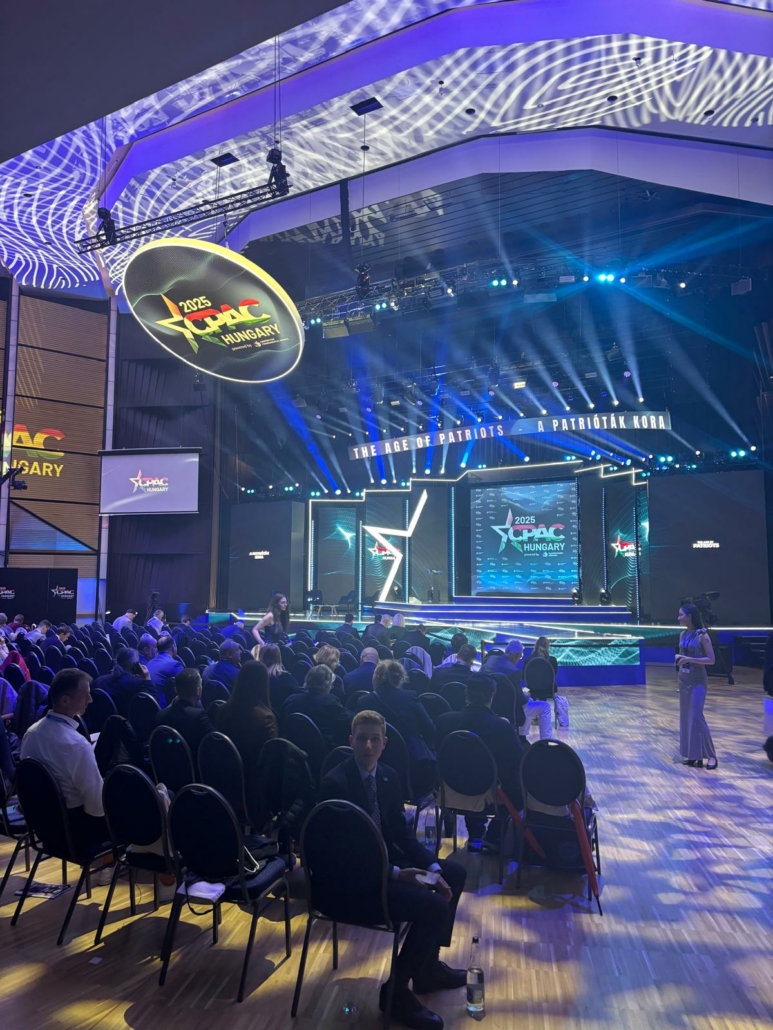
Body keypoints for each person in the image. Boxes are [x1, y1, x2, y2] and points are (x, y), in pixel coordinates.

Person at [318, 710, 467, 1029]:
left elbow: (401, 834)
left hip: (381, 866)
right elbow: (341, 857)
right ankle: (395, 993)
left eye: (375, 740)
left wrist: (430, 865)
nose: (368, 746)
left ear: (384, 743)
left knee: (454, 874)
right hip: (351, 885)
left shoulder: (388, 776)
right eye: (362, 739)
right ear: (351, 741)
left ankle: (426, 969)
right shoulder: (336, 785)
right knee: (434, 908)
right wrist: (398, 874)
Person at [435, 674, 527, 851]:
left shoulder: (444, 720)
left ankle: (476, 834)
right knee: (514, 785)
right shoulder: (501, 726)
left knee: (468, 769)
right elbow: (520, 760)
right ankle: (493, 837)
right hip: (487, 795)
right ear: (492, 696)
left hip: (450, 791)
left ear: (466, 694)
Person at [19, 668, 107, 849]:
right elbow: (97, 807)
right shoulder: (76, 744)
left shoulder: (31, 733)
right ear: (65, 700)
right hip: (77, 830)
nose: (90, 700)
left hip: (42, 825)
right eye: (85, 695)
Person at [358, 660, 437, 796]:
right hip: (410, 769)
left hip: (374, 764)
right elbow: (430, 728)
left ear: (376, 677)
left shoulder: (364, 701)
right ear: (400, 678)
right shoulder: (410, 697)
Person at [217, 660, 278, 785]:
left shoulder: (220, 710)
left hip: (224, 775)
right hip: (253, 781)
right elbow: (270, 758)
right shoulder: (266, 718)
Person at [677, 603, 718, 769]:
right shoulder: (682, 634)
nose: (678, 618)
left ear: (690, 616)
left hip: (697, 680)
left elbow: (711, 660)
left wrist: (689, 659)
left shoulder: (702, 635)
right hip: (684, 680)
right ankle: (694, 755)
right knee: (686, 717)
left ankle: (711, 756)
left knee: (696, 716)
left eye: (681, 615)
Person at [484, 639, 548, 738]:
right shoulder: (514, 671)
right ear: (516, 655)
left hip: (489, 706)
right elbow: (520, 700)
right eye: (520, 656)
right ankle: (544, 741)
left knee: (529, 701)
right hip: (509, 711)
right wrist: (526, 696)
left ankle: (522, 737)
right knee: (544, 706)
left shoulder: (490, 660)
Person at [282, 665, 352, 748]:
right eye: (331, 685)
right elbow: (349, 720)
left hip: (293, 749)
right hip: (322, 750)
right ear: (326, 685)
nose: (331, 687)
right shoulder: (329, 702)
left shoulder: (291, 700)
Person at [155, 668, 214, 763]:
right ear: (198, 691)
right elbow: (215, 742)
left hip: (169, 765)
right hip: (196, 766)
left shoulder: (160, 715)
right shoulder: (198, 716)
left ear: (175, 690)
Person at [94, 647, 160, 717]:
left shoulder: (99, 680)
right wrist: (147, 678)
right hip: (126, 721)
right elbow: (153, 702)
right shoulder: (136, 684)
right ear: (135, 665)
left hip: (102, 720)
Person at [255, 642, 300, 711]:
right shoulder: (286, 678)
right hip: (283, 715)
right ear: (278, 658)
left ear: (262, 656)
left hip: (260, 714)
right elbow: (298, 694)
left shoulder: (255, 677)